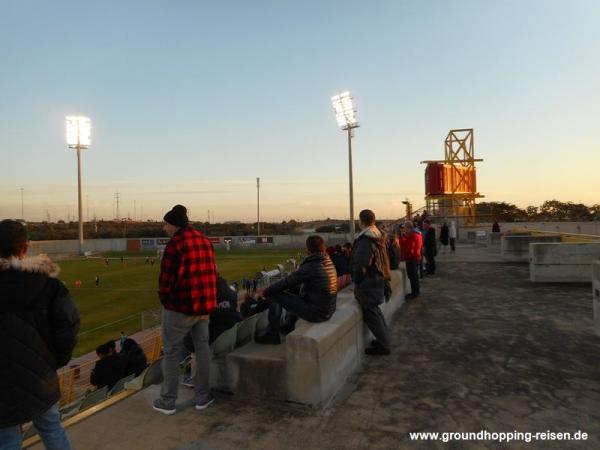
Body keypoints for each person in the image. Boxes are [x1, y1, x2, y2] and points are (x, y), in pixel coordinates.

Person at [0, 219, 80, 450]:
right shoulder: (48, 284)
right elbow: (69, 324)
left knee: (7, 439)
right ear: (25, 247)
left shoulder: (48, 284)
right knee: (52, 428)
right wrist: (57, 359)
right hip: (40, 376)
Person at [153, 204, 217, 415]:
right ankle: (203, 397)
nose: (164, 228)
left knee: (171, 353)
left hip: (181, 307)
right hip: (204, 306)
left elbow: (165, 281)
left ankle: (167, 401)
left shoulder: (175, 244)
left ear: (174, 224)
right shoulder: (204, 239)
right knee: (202, 349)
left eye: (166, 224)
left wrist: (166, 300)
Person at [255, 235, 338, 345]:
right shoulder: (327, 260)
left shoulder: (312, 265)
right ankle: (289, 325)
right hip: (327, 309)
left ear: (308, 249)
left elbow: (287, 282)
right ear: (323, 247)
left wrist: (265, 291)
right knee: (293, 292)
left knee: (273, 295)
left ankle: (272, 334)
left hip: (317, 313)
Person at [351, 210, 392, 356]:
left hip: (369, 281)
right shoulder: (378, 236)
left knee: (372, 314)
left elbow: (361, 264)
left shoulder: (365, 240)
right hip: (379, 278)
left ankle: (384, 345)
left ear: (361, 221)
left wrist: (357, 281)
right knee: (376, 312)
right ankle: (384, 339)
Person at [399, 221, 422, 300]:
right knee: (414, 276)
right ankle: (416, 292)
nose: (404, 230)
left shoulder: (412, 236)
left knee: (413, 277)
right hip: (415, 257)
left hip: (412, 258)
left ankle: (415, 293)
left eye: (405, 228)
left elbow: (408, 248)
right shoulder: (417, 234)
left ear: (409, 228)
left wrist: (401, 238)